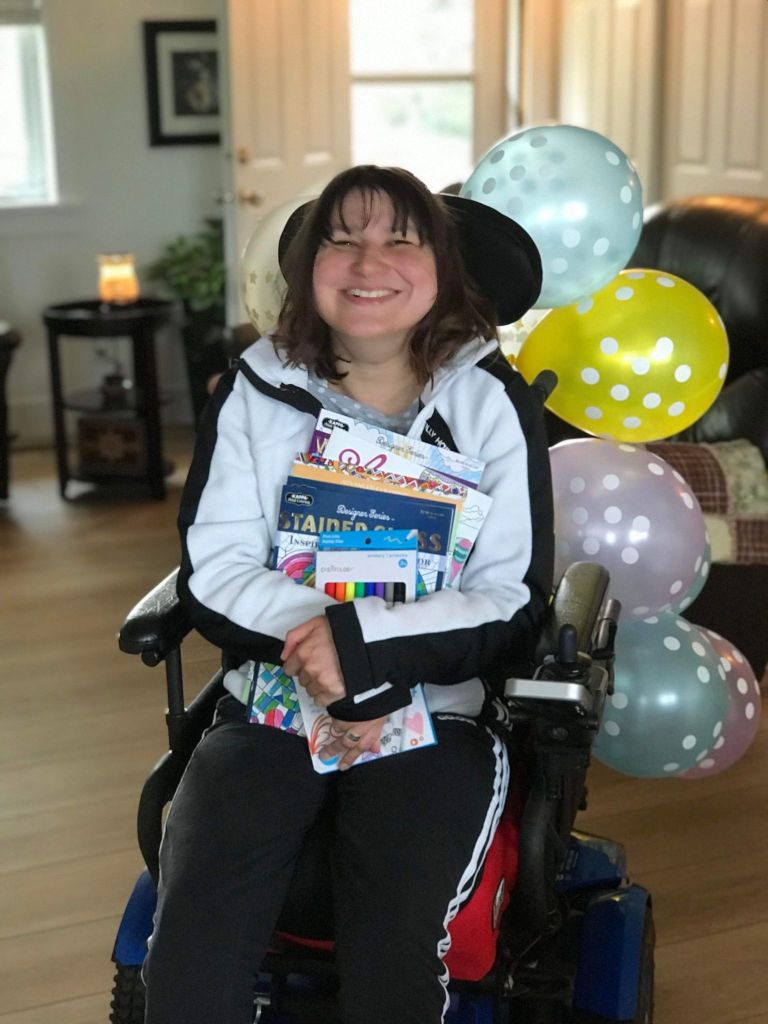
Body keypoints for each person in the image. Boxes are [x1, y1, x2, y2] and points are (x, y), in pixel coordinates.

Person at [143, 165, 553, 1024]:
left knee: (391, 947)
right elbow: (215, 571)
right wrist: (326, 647)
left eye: (401, 239)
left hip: (436, 713)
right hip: (270, 706)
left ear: (442, 270)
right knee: (193, 942)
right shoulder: (254, 391)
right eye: (342, 240)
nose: (370, 262)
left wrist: (365, 649)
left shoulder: (489, 402)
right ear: (308, 269)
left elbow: (509, 594)